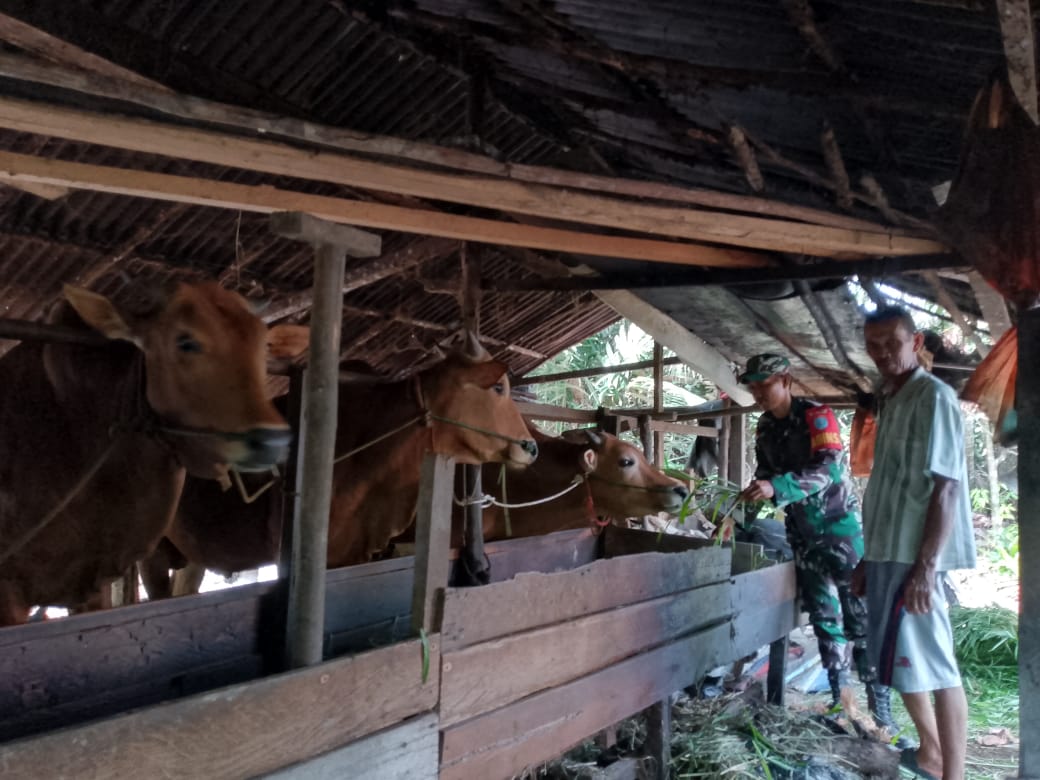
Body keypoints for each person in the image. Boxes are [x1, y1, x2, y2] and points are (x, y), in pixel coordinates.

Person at [735, 353, 900, 735]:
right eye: (753, 386)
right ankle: (841, 701)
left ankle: (881, 711)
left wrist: (777, 486)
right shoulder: (765, 427)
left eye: (764, 384)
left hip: (838, 530)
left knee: (860, 618)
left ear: (785, 381)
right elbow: (764, 473)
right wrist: (745, 507)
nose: (758, 393)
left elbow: (828, 468)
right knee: (825, 620)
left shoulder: (816, 416)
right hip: (802, 536)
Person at [855, 307, 976, 780]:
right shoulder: (891, 398)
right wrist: (868, 557)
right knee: (898, 657)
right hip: (888, 551)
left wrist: (926, 567)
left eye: (893, 342)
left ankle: (954, 774)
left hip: (914, 554)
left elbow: (946, 487)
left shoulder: (934, 397)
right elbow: (889, 485)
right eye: (874, 345)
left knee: (939, 666)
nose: (883, 353)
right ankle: (930, 752)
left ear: (916, 341)